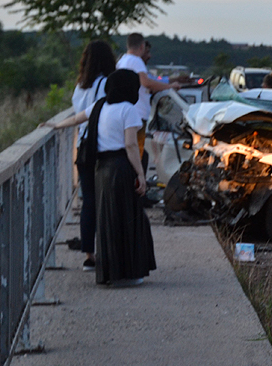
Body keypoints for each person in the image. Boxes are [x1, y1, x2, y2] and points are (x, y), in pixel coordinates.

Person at [42, 69, 156, 286]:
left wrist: (55, 125)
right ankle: (128, 273)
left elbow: (76, 118)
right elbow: (131, 145)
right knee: (127, 218)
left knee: (107, 220)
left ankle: (110, 273)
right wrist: (141, 174)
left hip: (101, 169)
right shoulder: (128, 110)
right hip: (121, 167)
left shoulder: (99, 105)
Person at [71, 40, 116, 272]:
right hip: (101, 149)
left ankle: (89, 255)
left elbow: (78, 116)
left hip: (83, 149)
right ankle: (108, 251)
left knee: (88, 201)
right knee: (106, 201)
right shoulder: (106, 83)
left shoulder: (80, 86)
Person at [116, 33, 180, 176]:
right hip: (137, 115)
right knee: (136, 154)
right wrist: (169, 86)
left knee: (129, 153)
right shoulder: (136, 61)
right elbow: (146, 82)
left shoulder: (122, 61)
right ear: (141, 46)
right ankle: (137, 185)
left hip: (124, 113)